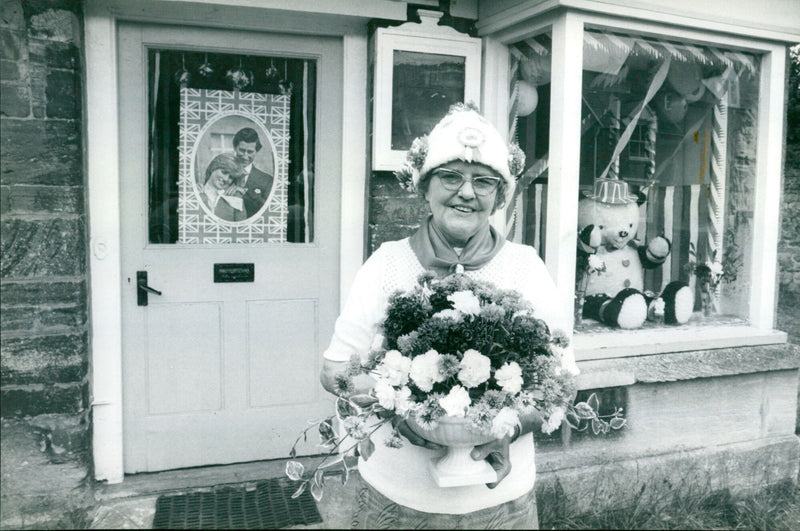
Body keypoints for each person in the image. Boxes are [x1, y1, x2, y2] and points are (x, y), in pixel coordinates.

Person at [320, 102, 578, 529]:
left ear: (500, 196)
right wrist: (402, 414)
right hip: (398, 501)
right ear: (424, 187)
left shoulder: (526, 267)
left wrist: (509, 428)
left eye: (484, 181)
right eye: (450, 176)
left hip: (503, 505)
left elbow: (563, 380)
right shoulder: (386, 264)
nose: (467, 192)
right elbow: (334, 373)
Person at [232, 127, 274, 218]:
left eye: (250, 152)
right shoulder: (223, 175)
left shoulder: (267, 181)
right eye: (242, 150)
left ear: (256, 152)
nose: (245, 156)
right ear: (235, 148)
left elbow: (268, 211)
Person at [200, 153, 248, 222]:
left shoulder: (235, 198)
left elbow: (241, 226)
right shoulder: (196, 191)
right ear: (213, 168)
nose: (226, 179)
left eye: (231, 177)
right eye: (224, 172)